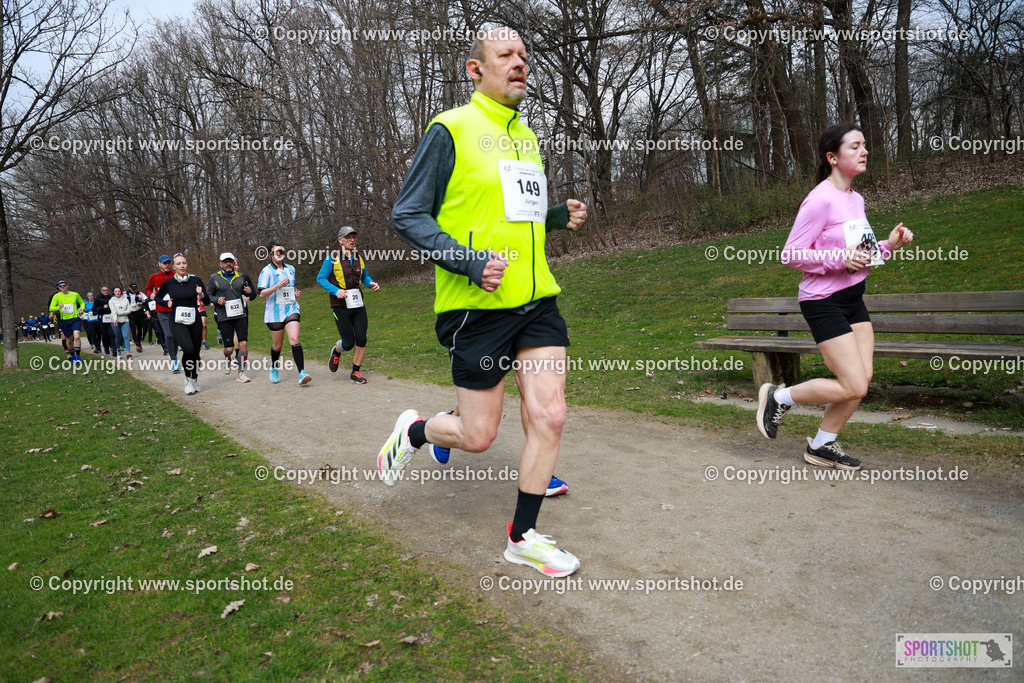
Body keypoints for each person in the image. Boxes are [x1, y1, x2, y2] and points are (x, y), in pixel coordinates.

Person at [381, 27, 588, 577]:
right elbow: (407, 214)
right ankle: (417, 431)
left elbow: (514, 213)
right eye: (506, 56)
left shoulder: (526, 135)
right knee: (478, 435)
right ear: (475, 69)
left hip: (536, 299)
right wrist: (468, 261)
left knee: (551, 413)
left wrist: (555, 217)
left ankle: (522, 535)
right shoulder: (450, 129)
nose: (520, 64)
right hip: (475, 305)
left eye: (524, 55)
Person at [759, 122, 914, 470]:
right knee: (852, 382)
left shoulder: (855, 198)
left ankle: (822, 445)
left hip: (852, 298)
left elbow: (863, 255)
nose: (864, 151)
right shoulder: (820, 199)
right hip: (822, 301)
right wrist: (838, 259)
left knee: (862, 381)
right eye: (855, 146)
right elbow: (790, 254)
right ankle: (779, 396)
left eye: (864, 145)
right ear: (833, 157)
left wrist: (889, 245)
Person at [316, 226, 380, 384]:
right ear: (340, 240)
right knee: (348, 343)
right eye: (348, 237)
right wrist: (336, 290)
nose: (352, 240)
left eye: (353, 237)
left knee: (362, 338)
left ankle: (355, 372)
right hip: (340, 305)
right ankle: (337, 350)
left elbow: (364, 276)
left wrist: (371, 283)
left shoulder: (359, 257)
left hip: (358, 303)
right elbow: (321, 278)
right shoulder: (332, 258)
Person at [156, 253, 211, 394]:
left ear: (187, 265)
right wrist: (165, 303)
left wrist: (201, 295)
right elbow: (157, 297)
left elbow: (206, 301)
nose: (182, 266)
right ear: (174, 267)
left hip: (194, 319)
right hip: (177, 320)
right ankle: (187, 379)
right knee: (188, 349)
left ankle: (194, 380)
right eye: (179, 264)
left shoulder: (195, 280)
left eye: (184, 263)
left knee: (196, 353)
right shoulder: (168, 283)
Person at [257, 242, 310, 385]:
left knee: (294, 338)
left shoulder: (291, 268)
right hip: (274, 313)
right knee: (277, 346)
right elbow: (261, 294)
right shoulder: (267, 271)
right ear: (270, 255)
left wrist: (296, 291)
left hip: (291, 309)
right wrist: (277, 286)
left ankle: (302, 373)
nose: (279, 253)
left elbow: (292, 286)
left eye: (281, 251)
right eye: (275, 252)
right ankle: (274, 366)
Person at [208, 252, 257, 383]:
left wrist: (249, 292)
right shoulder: (214, 278)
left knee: (243, 343)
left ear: (234, 263)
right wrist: (217, 299)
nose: (228, 264)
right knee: (229, 348)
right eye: (225, 262)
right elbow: (208, 296)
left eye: (230, 261)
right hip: (224, 316)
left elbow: (252, 294)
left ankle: (241, 373)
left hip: (240, 315)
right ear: (221, 264)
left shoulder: (241, 277)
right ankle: (227, 357)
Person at [146, 255, 180, 372]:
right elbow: (148, 289)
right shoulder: (154, 277)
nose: (167, 265)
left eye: (168, 263)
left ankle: (175, 356)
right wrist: (151, 294)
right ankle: (174, 360)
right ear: (159, 264)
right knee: (169, 335)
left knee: (176, 335)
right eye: (164, 263)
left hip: (176, 309)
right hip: (162, 310)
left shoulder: (175, 275)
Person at [48, 280, 86, 363]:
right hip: (64, 321)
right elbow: (51, 308)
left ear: (67, 286)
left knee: (76, 336)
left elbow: (82, 302)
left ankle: (78, 356)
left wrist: (82, 309)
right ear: (58, 288)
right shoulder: (56, 296)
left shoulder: (74, 294)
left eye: (64, 285)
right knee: (68, 340)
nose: (62, 287)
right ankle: (72, 356)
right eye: (60, 286)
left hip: (75, 318)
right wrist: (58, 307)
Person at [108, 286, 132, 358]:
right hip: (115, 321)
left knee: (125, 336)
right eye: (116, 291)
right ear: (113, 293)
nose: (118, 293)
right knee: (118, 336)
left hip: (125, 320)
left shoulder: (125, 300)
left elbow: (129, 310)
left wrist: (121, 313)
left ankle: (128, 352)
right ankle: (118, 350)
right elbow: (113, 311)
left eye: (119, 291)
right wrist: (115, 319)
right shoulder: (111, 301)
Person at [93, 285, 116, 355]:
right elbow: (94, 310)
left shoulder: (111, 298)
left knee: (112, 333)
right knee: (105, 334)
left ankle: (113, 348)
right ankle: (106, 347)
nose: (106, 292)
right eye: (104, 290)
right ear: (101, 291)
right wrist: (102, 308)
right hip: (102, 319)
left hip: (111, 318)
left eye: (107, 290)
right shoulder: (98, 299)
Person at [126, 283, 147, 353]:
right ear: (129, 288)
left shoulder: (140, 294)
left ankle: (139, 342)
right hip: (130, 313)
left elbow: (146, 299)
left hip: (138, 312)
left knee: (139, 329)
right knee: (133, 329)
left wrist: (141, 302)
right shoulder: (124, 294)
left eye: (135, 289)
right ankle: (137, 345)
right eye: (133, 289)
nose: (134, 290)